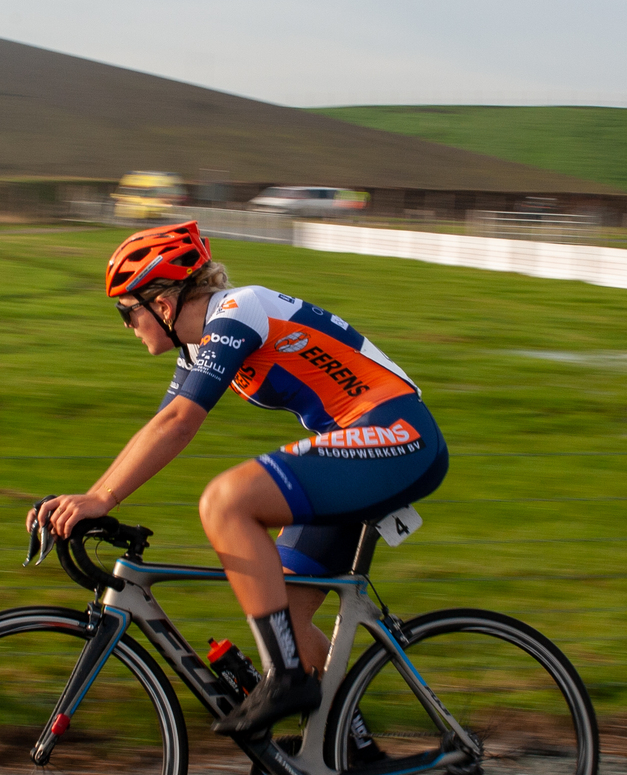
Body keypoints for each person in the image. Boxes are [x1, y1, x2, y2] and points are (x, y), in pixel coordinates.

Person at [30, 221, 449, 737]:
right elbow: (161, 426)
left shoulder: (237, 310)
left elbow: (181, 422)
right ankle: (347, 751)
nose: (126, 324)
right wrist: (92, 498)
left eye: (127, 310)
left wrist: (98, 499)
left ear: (161, 303)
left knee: (225, 502)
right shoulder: (200, 343)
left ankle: (290, 680)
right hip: (359, 446)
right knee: (288, 614)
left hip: (396, 434)